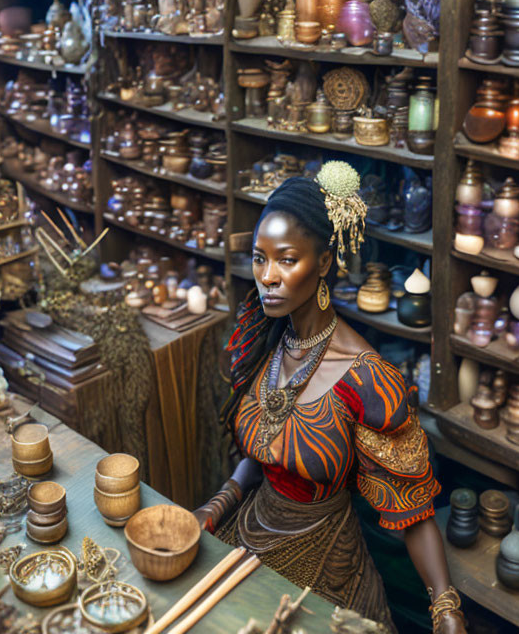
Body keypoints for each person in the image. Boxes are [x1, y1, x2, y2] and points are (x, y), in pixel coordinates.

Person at [195, 161, 466, 634]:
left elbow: (412, 511)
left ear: (322, 263)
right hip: (249, 534)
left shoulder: (366, 380)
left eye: (286, 258)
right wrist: (219, 503)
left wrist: (446, 610)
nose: (268, 276)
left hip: (322, 565)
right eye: (260, 258)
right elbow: (263, 456)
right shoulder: (266, 343)